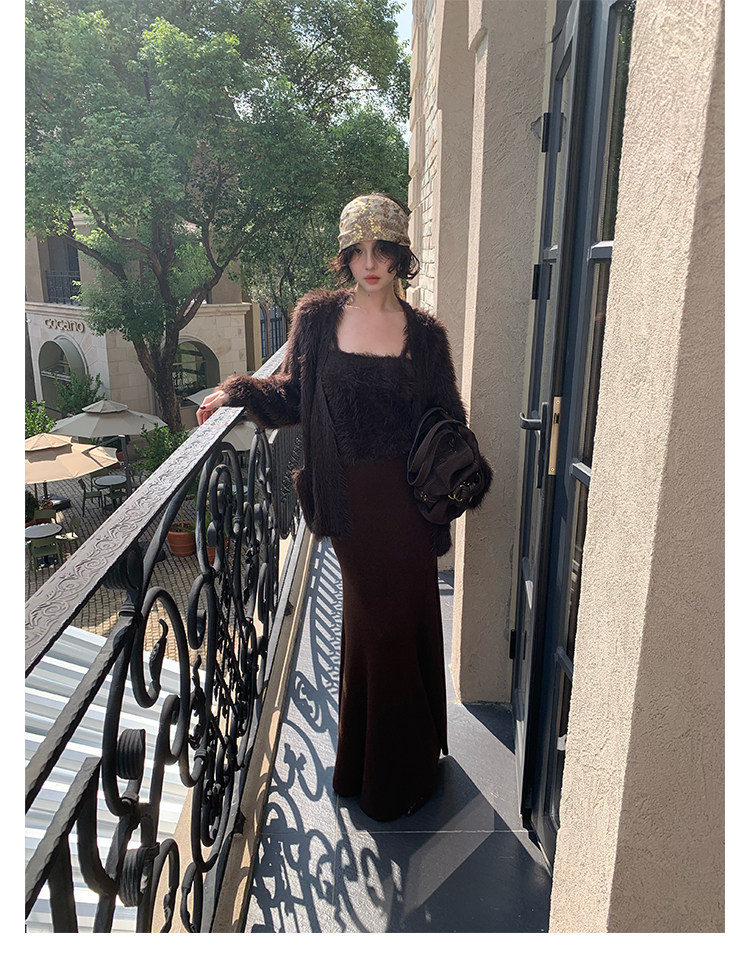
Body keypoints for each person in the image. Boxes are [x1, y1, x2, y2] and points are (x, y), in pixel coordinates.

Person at [197, 193, 493, 820]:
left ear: (401, 254)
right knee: (377, 629)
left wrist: (464, 472)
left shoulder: (427, 336)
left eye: (382, 250)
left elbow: (448, 417)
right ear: (345, 257)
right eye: (358, 251)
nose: (370, 263)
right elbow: (293, 394)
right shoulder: (317, 318)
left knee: (395, 626)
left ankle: (397, 770)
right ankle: (376, 765)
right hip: (350, 502)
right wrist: (237, 392)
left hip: (409, 505)